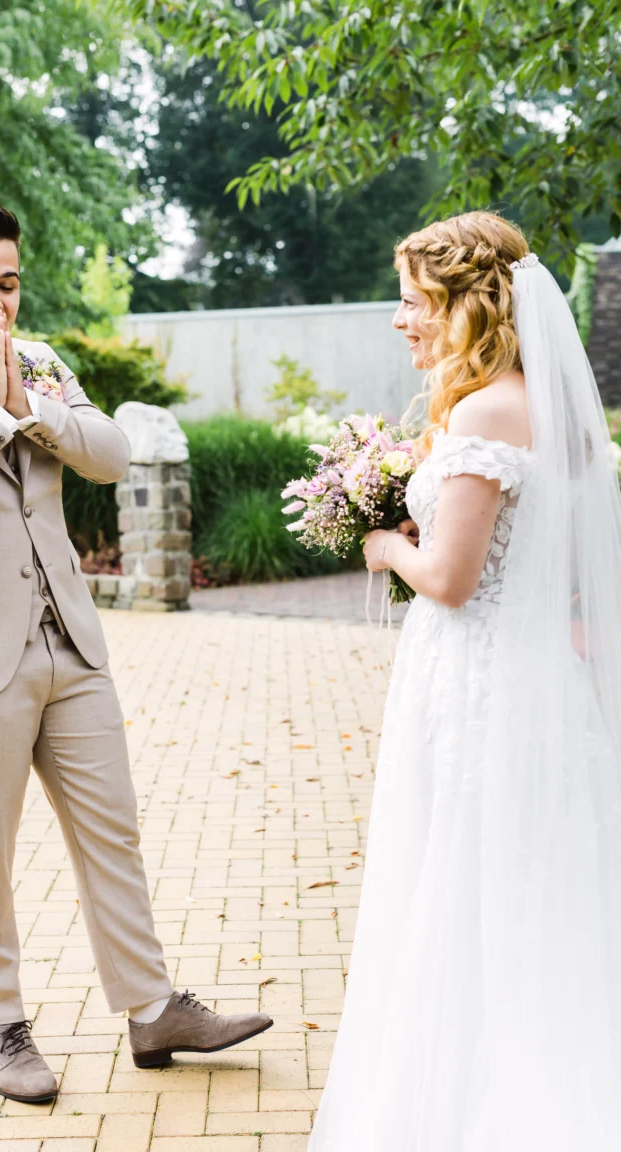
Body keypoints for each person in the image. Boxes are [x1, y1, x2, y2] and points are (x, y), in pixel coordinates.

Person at [0, 196, 272, 1105]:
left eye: (8, 283)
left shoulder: (39, 362)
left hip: (69, 640)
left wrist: (27, 405)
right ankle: (0, 1027)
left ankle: (153, 1010)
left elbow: (112, 454)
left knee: (111, 829)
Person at [308, 211, 621, 1150]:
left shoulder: (486, 410)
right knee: (532, 881)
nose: (398, 318)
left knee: (462, 874)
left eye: (413, 301)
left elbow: (448, 580)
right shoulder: (537, 405)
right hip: (531, 678)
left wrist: (384, 548)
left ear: (466, 306)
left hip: (481, 682)